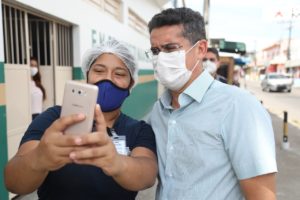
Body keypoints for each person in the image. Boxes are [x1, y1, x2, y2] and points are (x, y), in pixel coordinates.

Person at [147, 7, 277, 200]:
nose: (161, 58)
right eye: (155, 51)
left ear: (200, 49)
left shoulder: (238, 106)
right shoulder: (158, 111)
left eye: (170, 48)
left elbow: (262, 195)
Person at [4, 39, 158, 200]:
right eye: (99, 71)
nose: (108, 79)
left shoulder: (139, 129)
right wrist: (39, 159)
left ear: (131, 84)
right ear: (87, 76)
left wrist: (117, 163)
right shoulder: (54, 119)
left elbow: (147, 175)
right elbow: (13, 182)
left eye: (119, 74)